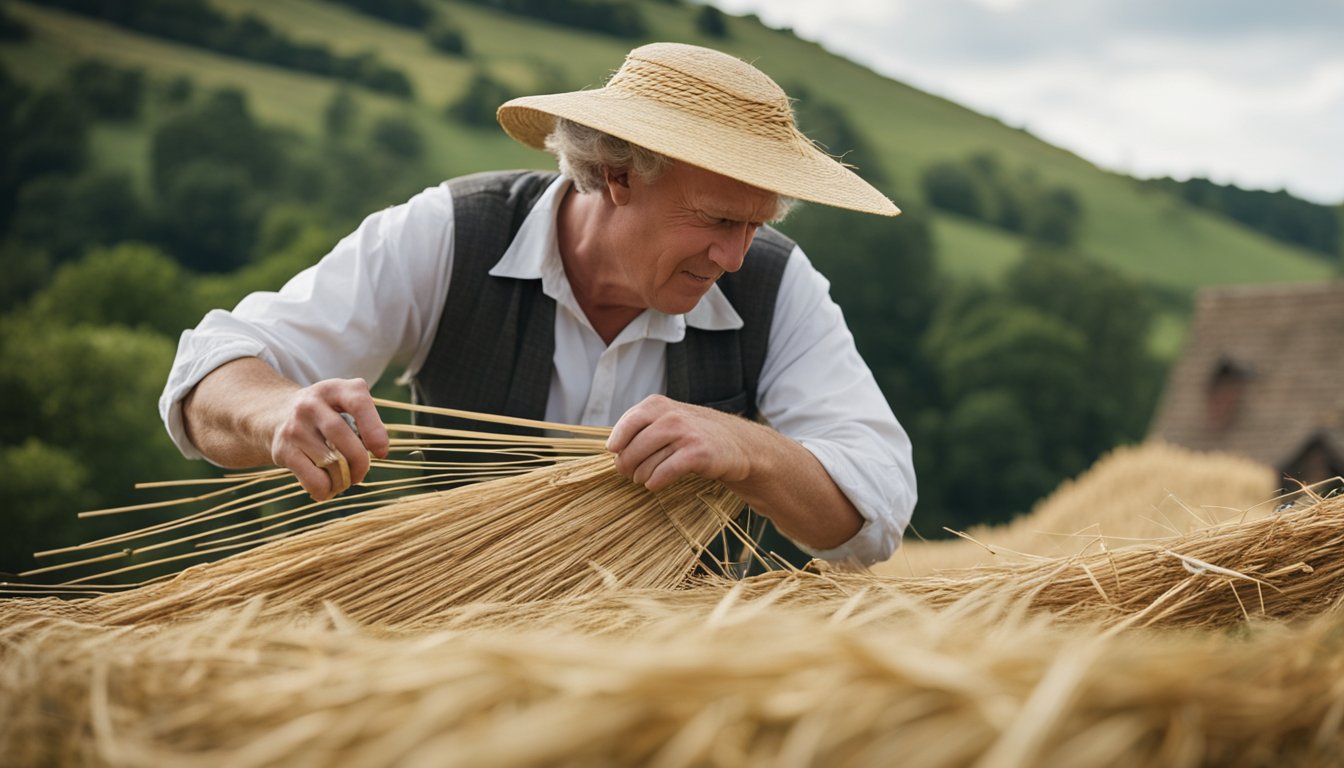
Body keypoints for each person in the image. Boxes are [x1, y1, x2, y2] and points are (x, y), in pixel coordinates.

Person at [160, 42, 916, 566]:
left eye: (757, 225)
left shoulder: (778, 286)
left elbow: (876, 509)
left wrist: (751, 449)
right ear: (619, 175)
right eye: (719, 220)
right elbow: (211, 371)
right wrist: (274, 415)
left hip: (685, 698)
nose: (736, 257)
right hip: (460, 662)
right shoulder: (451, 233)